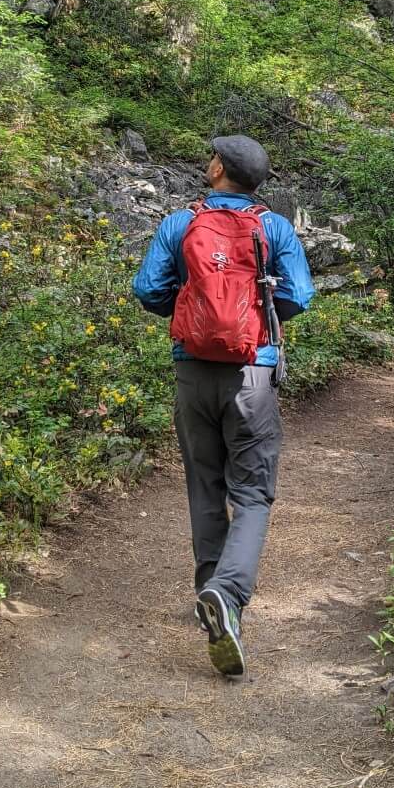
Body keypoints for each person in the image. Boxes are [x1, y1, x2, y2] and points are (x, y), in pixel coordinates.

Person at [132, 135, 314, 678]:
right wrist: (254, 320)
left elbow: (148, 288)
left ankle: (209, 590)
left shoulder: (180, 223)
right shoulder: (274, 226)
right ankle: (228, 595)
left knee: (204, 483)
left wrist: (192, 315)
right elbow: (299, 296)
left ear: (218, 170)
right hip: (251, 376)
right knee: (253, 492)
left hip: (191, 370)